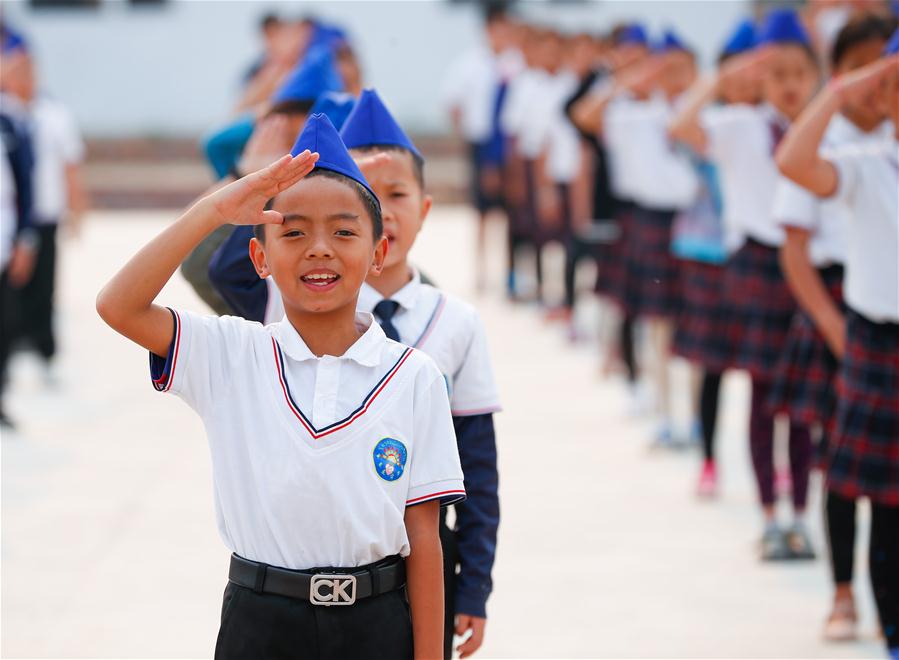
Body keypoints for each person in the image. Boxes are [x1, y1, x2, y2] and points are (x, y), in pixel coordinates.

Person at [96, 114, 464, 659]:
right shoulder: (230, 353)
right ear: (260, 257)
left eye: (344, 231)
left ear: (378, 252)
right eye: (293, 232)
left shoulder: (414, 377)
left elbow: (425, 540)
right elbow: (118, 305)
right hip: (260, 622)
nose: (319, 248)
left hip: (377, 624)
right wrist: (214, 211)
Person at [208, 89, 501, 660]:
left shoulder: (453, 323)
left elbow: (478, 466)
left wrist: (476, 585)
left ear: (423, 208)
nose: (385, 207)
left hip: (414, 553)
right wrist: (275, 179)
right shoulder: (306, 299)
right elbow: (230, 266)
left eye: (396, 194)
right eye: (370, 193)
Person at [669, 8, 821, 560]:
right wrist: (724, 77)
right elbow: (682, 127)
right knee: (761, 400)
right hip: (756, 265)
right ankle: (769, 517)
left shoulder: (821, 131)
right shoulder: (740, 125)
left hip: (808, 265)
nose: (788, 85)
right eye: (776, 74)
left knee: (801, 406)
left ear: (816, 77)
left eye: (798, 74)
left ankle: (800, 514)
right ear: (759, 78)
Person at [767, 13, 896, 640]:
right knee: (854, 475)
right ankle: (852, 598)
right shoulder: (856, 156)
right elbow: (793, 167)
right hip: (860, 323)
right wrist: (843, 91)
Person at [671, 17, 762, 495]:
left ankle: (775, 468)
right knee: (712, 365)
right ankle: (708, 457)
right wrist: (717, 81)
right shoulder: (718, 125)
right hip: (710, 253)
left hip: (757, 257)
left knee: (766, 370)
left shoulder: (775, 124)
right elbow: (680, 128)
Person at [1, 45, 87, 378]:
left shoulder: (54, 115)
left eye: (27, 71)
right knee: (10, 288)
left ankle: (44, 350)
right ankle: (11, 348)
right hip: (9, 219)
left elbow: (71, 166)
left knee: (44, 284)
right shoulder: (5, 118)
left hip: (46, 213)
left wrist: (77, 210)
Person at [443, 6, 518, 293]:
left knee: (512, 213)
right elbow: (453, 103)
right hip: (481, 142)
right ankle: (482, 272)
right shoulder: (469, 64)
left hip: (511, 146)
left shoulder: (517, 62)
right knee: (482, 213)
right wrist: (464, 137)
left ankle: (510, 273)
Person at [0, 28, 37, 429]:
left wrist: (25, 239)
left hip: (5, 241)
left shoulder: (10, 122)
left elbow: (25, 185)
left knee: (5, 323)